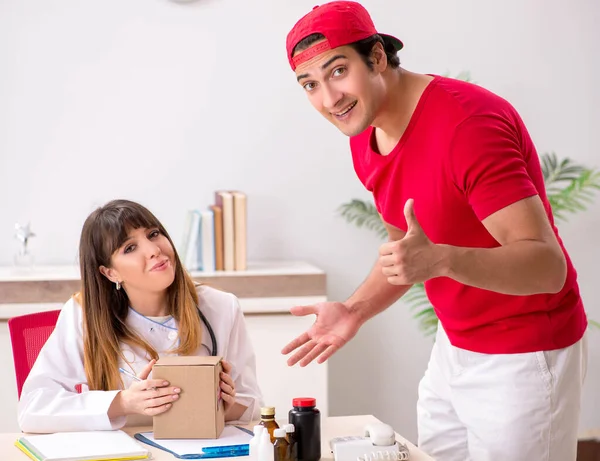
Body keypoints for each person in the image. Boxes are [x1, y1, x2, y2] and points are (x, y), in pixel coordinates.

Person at [281, 2, 588, 460]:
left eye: (338, 71)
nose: (329, 99)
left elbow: (547, 268)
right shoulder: (366, 135)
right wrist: (353, 311)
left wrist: (443, 259)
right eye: (310, 85)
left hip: (524, 355)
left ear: (378, 57)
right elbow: (405, 252)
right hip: (454, 348)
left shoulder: (467, 126)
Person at [17, 199, 263, 433]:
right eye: (130, 248)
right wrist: (123, 403)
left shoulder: (221, 307)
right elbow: (32, 408)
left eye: (154, 234)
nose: (154, 250)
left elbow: (254, 405)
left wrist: (225, 408)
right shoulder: (83, 315)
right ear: (110, 272)